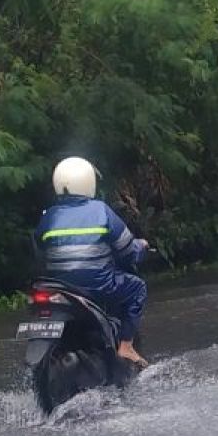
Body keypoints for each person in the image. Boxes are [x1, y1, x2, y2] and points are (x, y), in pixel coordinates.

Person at [35, 157, 150, 366]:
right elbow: (127, 250)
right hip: (98, 285)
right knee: (138, 288)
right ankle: (126, 347)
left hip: (58, 288)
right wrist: (141, 247)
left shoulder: (49, 215)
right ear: (89, 182)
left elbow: (39, 249)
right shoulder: (101, 210)